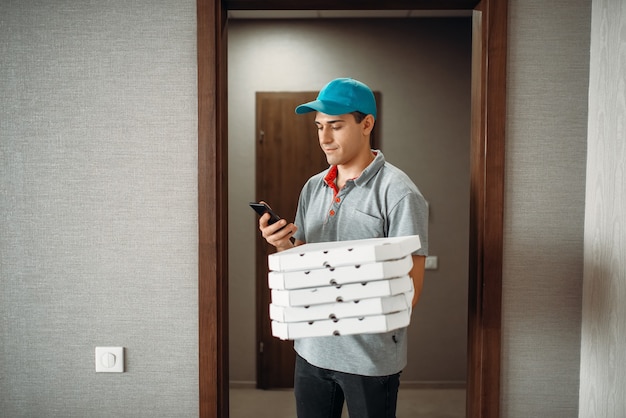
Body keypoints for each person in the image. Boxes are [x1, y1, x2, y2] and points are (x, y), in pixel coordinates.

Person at [258, 77, 429, 418]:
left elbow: (409, 292)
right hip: (312, 349)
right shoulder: (313, 187)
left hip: (369, 357)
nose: (324, 137)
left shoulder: (399, 192)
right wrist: (282, 245)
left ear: (367, 124)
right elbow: (302, 262)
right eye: (319, 126)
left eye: (335, 126)